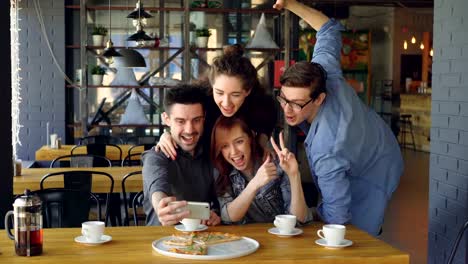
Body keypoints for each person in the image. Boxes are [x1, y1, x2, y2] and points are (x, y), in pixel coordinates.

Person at [273, 0, 403, 236]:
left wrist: (316, 222)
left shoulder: (327, 149)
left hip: (376, 168)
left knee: (356, 231)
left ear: (320, 98)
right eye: (283, 98)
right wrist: (290, 3)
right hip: (373, 135)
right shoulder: (324, 71)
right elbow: (328, 27)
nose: (287, 110)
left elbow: (337, 217)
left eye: (297, 104)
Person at [156, 44, 277, 160]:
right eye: (219, 93)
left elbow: (263, 132)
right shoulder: (201, 97)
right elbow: (178, 116)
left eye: (235, 95)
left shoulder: (263, 105)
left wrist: (263, 144)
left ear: (248, 91)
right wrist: (166, 135)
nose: (226, 103)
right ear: (212, 85)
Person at [142, 84, 221, 226]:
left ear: (204, 119)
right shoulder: (157, 156)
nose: (189, 130)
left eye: (196, 120)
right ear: (166, 119)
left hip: (202, 239)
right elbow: (157, 186)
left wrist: (215, 214)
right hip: (160, 239)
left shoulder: (211, 152)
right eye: (180, 121)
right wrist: (161, 206)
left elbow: (218, 199)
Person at [211, 116, 311, 224]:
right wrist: (255, 184)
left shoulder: (277, 163)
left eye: (239, 142)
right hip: (246, 239)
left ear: (251, 137)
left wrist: (294, 175)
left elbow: (299, 219)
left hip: (281, 237)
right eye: (225, 146)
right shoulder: (223, 171)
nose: (234, 152)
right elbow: (228, 217)